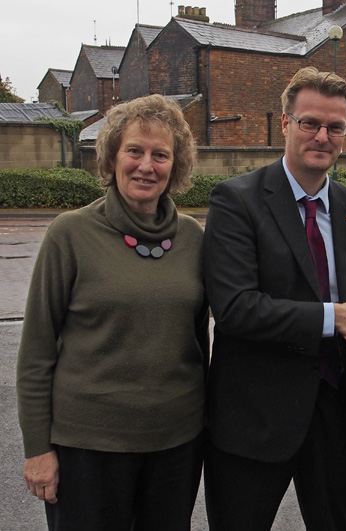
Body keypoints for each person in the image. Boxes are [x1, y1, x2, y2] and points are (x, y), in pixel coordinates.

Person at [16, 94, 208, 530]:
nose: (146, 165)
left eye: (160, 155)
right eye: (134, 151)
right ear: (111, 156)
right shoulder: (70, 234)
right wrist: (37, 450)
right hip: (87, 448)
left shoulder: (193, 238)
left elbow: (199, 342)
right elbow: (35, 354)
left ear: (175, 165)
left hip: (175, 446)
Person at [202, 66, 346, 530]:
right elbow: (236, 308)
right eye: (310, 123)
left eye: (335, 127)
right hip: (255, 416)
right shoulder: (236, 201)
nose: (322, 136)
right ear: (285, 123)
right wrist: (331, 318)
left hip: (334, 409)